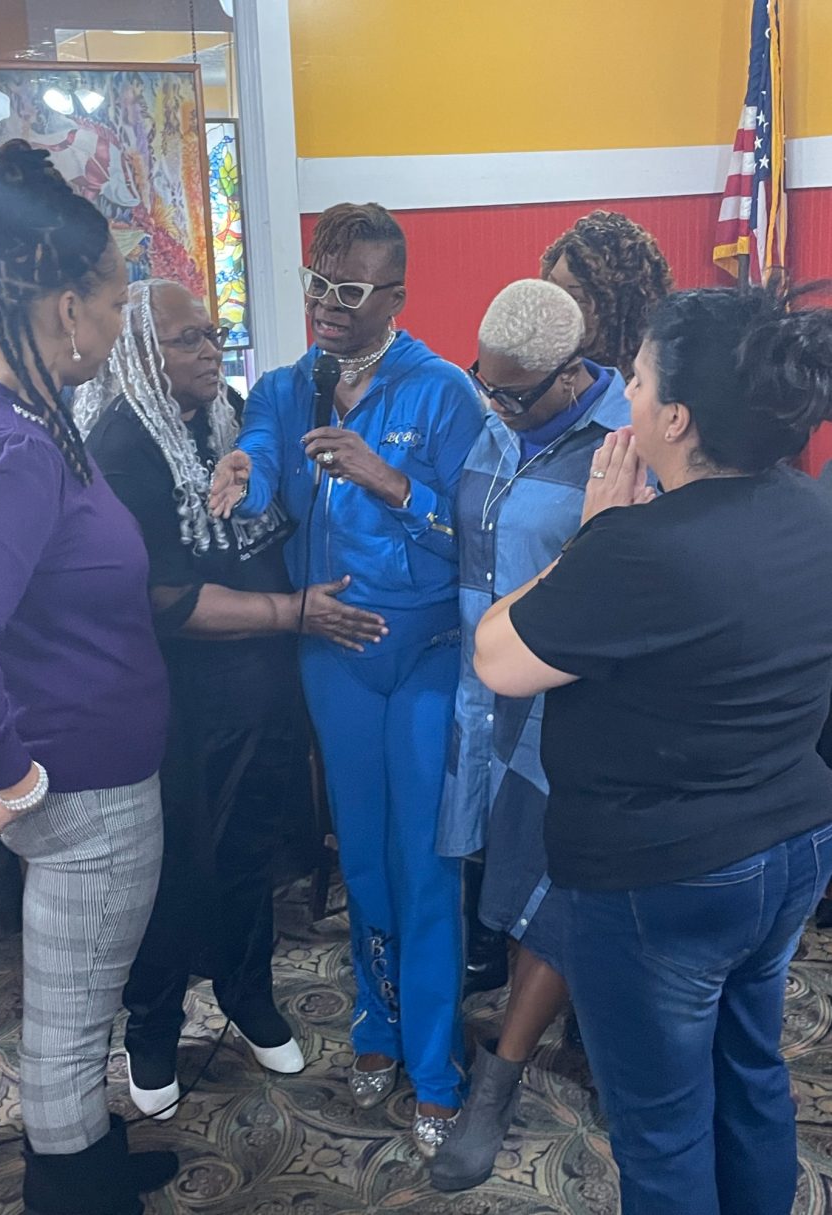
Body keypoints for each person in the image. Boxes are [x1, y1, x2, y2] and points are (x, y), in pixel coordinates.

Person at [473, 284, 832, 1215]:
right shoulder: (811, 507)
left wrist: (593, 533)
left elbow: (496, 656)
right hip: (791, 846)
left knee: (662, 1125)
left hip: (662, 877)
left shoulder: (638, 546)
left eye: (634, 380)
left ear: (675, 417)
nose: (622, 397)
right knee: (750, 1073)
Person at [0, 141, 176, 1215]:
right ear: (67, 306)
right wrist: (14, 772)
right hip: (83, 794)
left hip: (76, 775)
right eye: (114, 306)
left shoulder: (6, 410)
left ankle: (87, 1159)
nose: (119, 330)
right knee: (72, 1021)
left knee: (75, 1000)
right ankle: (72, 1189)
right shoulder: (20, 448)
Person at [210, 202, 484, 1154]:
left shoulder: (444, 393)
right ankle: (377, 1025)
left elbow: (479, 538)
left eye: (350, 290)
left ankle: (437, 1065)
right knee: (361, 856)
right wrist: (243, 469)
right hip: (332, 654)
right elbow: (261, 450)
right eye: (317, 284)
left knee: (424, 864)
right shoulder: (288, 388)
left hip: (426, 654)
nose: (327, 304)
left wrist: (390, 481)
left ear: (395, 295)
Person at [76, 278, 387, 1118]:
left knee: (251, 856)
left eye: (214, 332)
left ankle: (248, 994)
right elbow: (162, 599)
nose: (211, 349)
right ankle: (153, 1026)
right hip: (177, 708)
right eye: (189, 338)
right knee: (173, 871)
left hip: (263, 694)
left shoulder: (229, 418)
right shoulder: (120, 448)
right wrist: (292, 612)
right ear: (142, 352)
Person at [430, 278, 639, 1191]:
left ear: (571, 373)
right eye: (486, 383)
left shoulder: (624, 442)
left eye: (513, 393)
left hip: (570, 709)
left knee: (552, 892)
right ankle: (585, 1037)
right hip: (486, 696)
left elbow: (631, 582)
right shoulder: (495, 421)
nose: (495, 405)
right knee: (514, 884)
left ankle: (499, 1081)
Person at [541, 209, 673, 379]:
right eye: (552, 287)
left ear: (618, 312)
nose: (554, 305)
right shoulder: (535, 366)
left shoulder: (650, 385)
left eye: (576, 298)